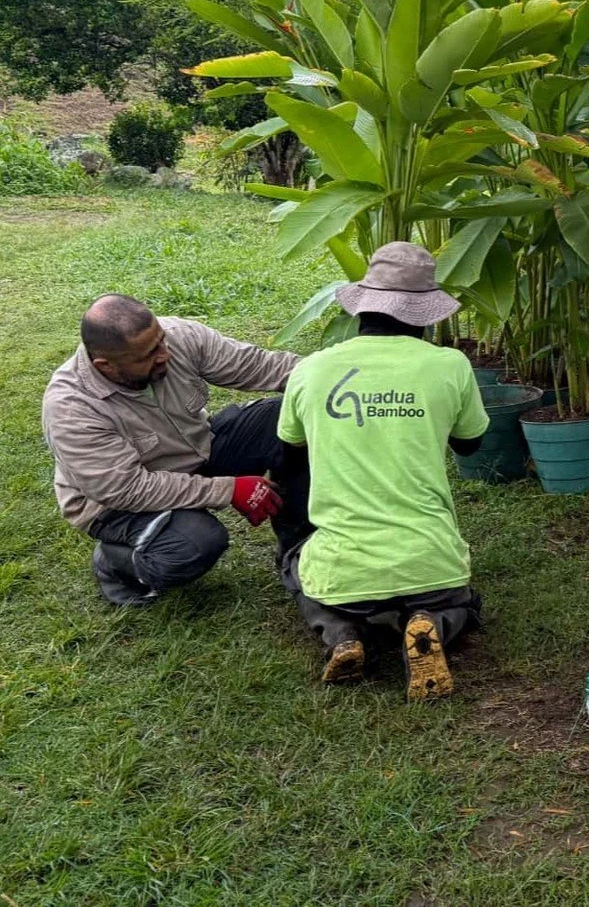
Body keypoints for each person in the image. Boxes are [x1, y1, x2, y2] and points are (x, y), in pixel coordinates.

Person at [276, 242, 489, 702]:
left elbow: (291, 444)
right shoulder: (449, 365)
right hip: (431, 560)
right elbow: (471, 444)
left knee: (298, 567)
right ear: (427, 316)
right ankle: (432, 624)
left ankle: (342, 635)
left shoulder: (311, 370)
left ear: (362, 307)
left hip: (343, 570)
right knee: (461, 602)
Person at [43, 295, 308, 606]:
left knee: (289, 417)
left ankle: (298, 546)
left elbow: (259, 365)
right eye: (149, 354)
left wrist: (334, 376)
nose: (164, 354)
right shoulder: (71, 408)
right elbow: (127, 490)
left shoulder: (178, 337)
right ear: (106, 365)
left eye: (161, 341)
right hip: (116, 503)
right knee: (196, 544)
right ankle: (115, 563)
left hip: (195, 451)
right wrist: (229, 489)